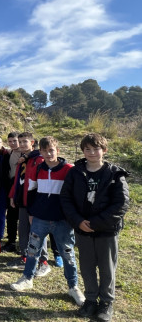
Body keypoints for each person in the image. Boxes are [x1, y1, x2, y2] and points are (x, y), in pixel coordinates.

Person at [60, 133, 129, 321]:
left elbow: (121, 204)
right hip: (82, 229)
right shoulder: (75, 172)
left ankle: (106, 303)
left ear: (104, 150)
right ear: (83, 151)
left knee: (107, 268)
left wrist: (96, 223)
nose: (92, 152)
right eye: (87, 149)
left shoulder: (115, 174)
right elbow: (66, 199)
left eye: (96, 148)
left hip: (106, 231)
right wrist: (78, 221)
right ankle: (91, 299)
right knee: (87, 266)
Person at [10, 137, 85, 307]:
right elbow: (31, 191)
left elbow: (76, 195)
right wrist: (31, 212)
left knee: (68, 254)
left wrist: (73, 217)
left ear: (57, 150)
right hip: (40, 218)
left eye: (52, 150)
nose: (49, 154)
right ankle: (27, 278)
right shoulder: (38, 169)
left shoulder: (69, 169)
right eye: (45, 151)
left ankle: (73, 287)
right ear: (41, 153)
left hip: (62, 221)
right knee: (32, 249)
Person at [7, 132, 50, 276]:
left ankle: (43, 262)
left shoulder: (38, 159)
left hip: (35, 202)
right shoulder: (22, 159)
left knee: (37, 231)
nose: (22, 144)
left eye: (25, 141)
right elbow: (17, 180)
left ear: (32, 142)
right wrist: (13, 195)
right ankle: (24, 257)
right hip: (22, 201)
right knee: (23, 229)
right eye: (20, 141)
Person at [1, 132, 20, 253]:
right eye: (10, 141)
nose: (12, 143)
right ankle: (11, 241)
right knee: (11, 216)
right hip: (11, 186)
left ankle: (24, 244)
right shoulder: (10, 151)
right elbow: (4, 149)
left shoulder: (27, 154)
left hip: (22, 187)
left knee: (22, 217)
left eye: (15, 141)